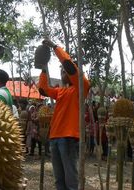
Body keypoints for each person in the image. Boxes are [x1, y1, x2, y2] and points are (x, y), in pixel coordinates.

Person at [38, 39, 90, 190]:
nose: (62, 72)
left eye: (64, 71)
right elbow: (43, 89)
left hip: (68, 137)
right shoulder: (61, 91)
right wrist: (43, 69)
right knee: (59, 179)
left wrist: (55, 47)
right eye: (60, 71)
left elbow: (69, 65)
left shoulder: (81, 87)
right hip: (54, 137)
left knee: (70, 178)